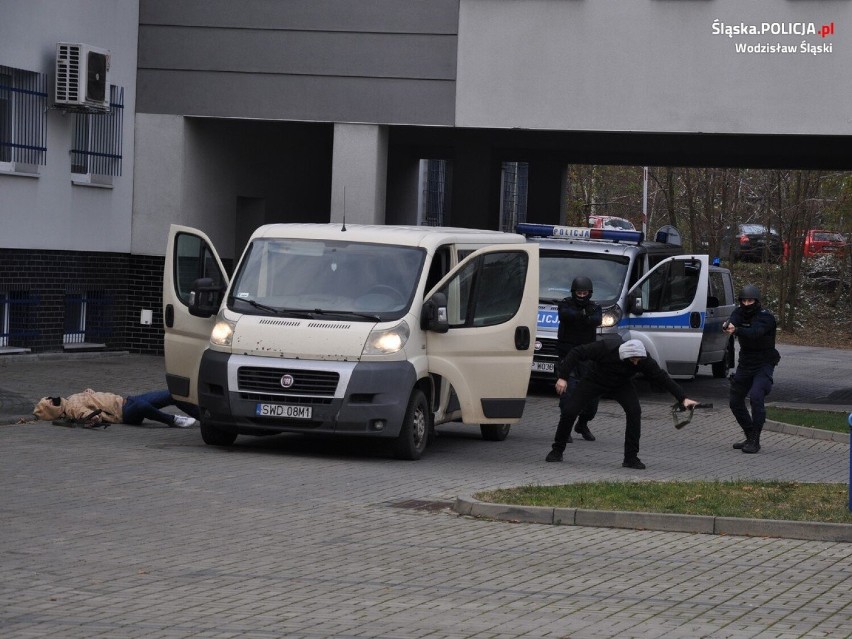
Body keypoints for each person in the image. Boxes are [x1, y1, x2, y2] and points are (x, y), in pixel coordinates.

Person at [545, 338, 700, 469]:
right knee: (570, 411)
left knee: (634, 412)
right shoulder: (605, 348)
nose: (636, 363)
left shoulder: (644, 359)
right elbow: (576, 352)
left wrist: (683, 398)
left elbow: (661, 377)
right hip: (595, 380)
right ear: (624, 355)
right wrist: (563, 377)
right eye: (633, 360)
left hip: (621, 384)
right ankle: (557, 450)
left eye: (638, 360)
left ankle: (631, 458)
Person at [724, 284, 779, 454]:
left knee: (756, 397)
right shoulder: (739, 312)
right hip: (746, 363)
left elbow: (756, 332)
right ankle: (750, 435)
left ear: (757, 301)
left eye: (750, 300)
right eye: (744, 301)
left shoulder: (766, 318)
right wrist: (728, 326)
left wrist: (738, 330)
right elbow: (732, 321)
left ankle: (755, 439)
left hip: (764, 363)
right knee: (735, 401)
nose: (747, 304)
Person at [555, 276, 602, 442]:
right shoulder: (565, 304)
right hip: (568, 356)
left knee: (592, 398)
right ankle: (565, 428)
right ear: (574, 292)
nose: (582, 296)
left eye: (585, 293)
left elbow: (596, 320)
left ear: (589, 293)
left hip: (587, 358)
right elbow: (566, 316)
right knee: (568, 395)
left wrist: (582, 317)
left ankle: (582, 424)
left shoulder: (595, 307)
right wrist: (583, 316)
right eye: (579, 293)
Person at [33, 388, 200, 428]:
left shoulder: (71, 398)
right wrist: (93, 417)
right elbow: (82, 413)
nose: (50, 399)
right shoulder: (70, 407)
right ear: (52, 410)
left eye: (48, 398)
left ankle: (207, 419)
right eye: (49, 402)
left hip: (127, 400)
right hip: (126, 413)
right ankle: (172, 420)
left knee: (173, 394)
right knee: (143, 406)